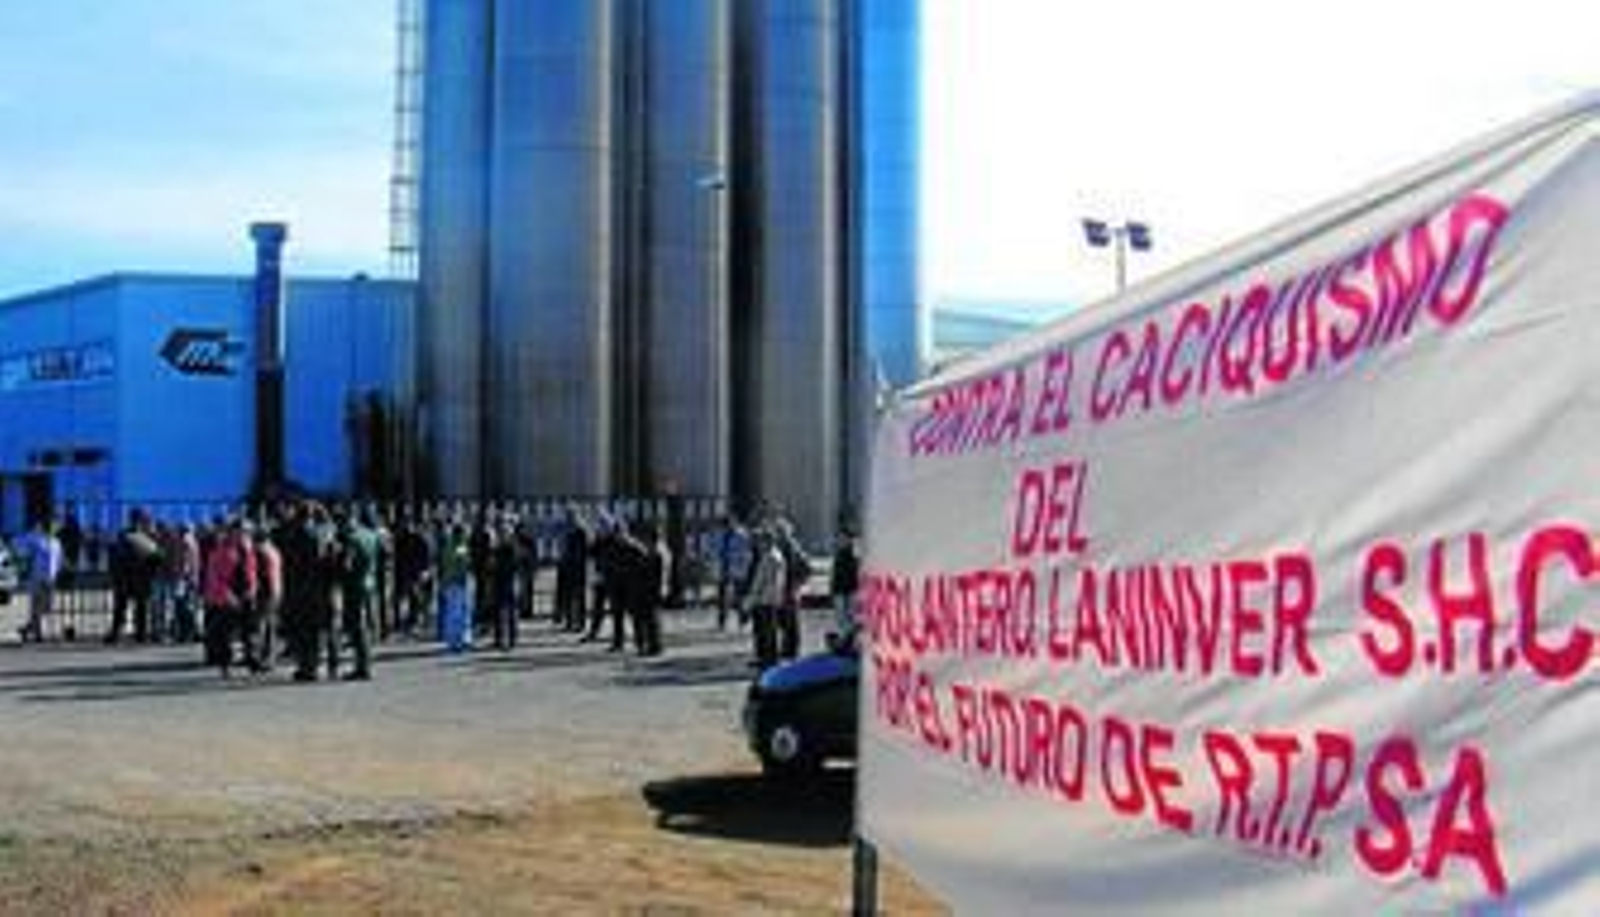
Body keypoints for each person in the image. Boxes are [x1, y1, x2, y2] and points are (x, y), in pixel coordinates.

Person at [743, 524, 787, 670]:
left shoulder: (769, 557)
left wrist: (751, 599)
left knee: (767, 630)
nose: (759, 544)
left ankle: (768, 658)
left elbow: (760, 580)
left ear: (767, 541)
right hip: (771, 597)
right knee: (767, 629)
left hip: (765, 598)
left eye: (761, 541)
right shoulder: (775, 555)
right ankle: (767, 657)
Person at [18, 520, 63, 643]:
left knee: (47, 607)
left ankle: (27, 629)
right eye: (53, 527)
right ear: (47, 528)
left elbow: (59, 560)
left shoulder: (57, 543)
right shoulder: (38, 541)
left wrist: (58, 573)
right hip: (37, 577)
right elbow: (26, 554)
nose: (55, 529)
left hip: (50, 579)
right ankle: (38, 634)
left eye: (56, 527)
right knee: (36, 606)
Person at [251, 526, 283, 674]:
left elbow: (263, 575)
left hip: (265, 593)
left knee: (261, 626)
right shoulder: (274, 550)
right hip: (276, 591)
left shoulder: (261, 553)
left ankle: (262, 658)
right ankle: (270, 658)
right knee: (271, 626)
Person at [555, 508, 590, 632]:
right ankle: (569, 621)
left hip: (578, 569)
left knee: (579, 597)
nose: (569, 518)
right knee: (568, 596)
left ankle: (580, 622)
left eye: (571, 515)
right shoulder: (565, 530)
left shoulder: (581, 531)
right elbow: (561, 547)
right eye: (568, 515)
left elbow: (584, 552)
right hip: (566, 567)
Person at [830, 527, 861, 636]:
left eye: (843, 538)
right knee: (841, 618)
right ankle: (845, 637)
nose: (840, 540)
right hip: (840, 589)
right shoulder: (839, 552)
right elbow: (835, 573)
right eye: (839, 538)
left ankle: (850, 637)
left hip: (850, 589)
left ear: (849, 539)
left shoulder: (854, 553)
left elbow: (856, 570)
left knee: (850, 616)